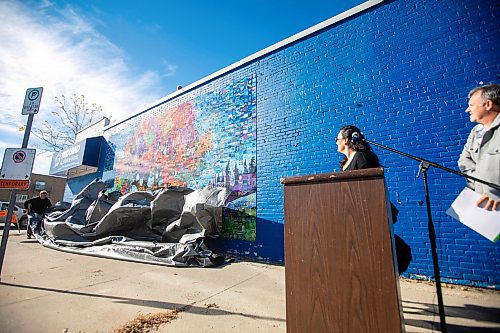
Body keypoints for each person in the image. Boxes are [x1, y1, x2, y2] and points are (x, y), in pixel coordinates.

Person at [335, 125, 412, 274]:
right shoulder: (345, 163)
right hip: (353, 216)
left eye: (337, 139)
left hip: (368, 216)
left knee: (393, 253)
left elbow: (371, 189)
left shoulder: (361, 158)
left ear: (346, 140)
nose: (335, 142)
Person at [458, 84, 500, 211]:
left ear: (488, 104)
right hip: (486, 207)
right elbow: (464, 161)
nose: (467, 110)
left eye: (471, 105)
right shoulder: (475, 132)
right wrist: (481, 187)